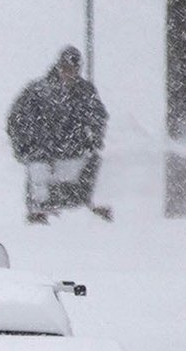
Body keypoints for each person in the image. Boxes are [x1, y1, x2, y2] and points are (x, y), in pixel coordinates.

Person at [6, 47, 110, 224]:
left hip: (75, 154)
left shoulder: (85, 92)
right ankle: (40, 215)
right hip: (41, 156)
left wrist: (91, 141)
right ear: (58, 66)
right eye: (65, 67)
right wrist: (27, 148)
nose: (68, 73)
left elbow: (98, 119)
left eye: (72, 69)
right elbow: (16, 120)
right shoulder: (37, 91)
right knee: (39, 176)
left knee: (91, 172)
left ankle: (80, 213)